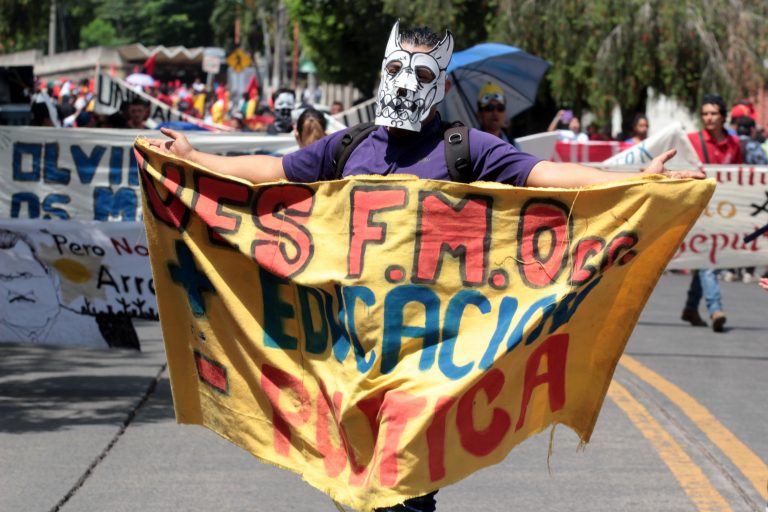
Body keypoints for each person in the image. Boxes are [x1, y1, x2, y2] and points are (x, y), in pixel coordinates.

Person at [148, 21, 703, 511]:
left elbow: (546, 177)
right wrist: (196, 158)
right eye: (395, 69)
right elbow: (273, 170)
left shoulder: (467, 148)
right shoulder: (348, 147)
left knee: (404, 482)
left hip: (432, 356)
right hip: (348, 351)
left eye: (420, 74)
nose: (404, 83)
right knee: (359, 481)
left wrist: (636, 180)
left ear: (441, 86)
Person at [681, 94, 741, 332]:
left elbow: (739, 176)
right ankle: (715, 308)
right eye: (705, 113)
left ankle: (690, 307)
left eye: (713, 113)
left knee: (705, 256)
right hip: (699, 208)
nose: (709, 118)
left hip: (724, 210)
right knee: (708, 254)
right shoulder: (691, 141)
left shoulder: (734, 144)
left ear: (723, 116)